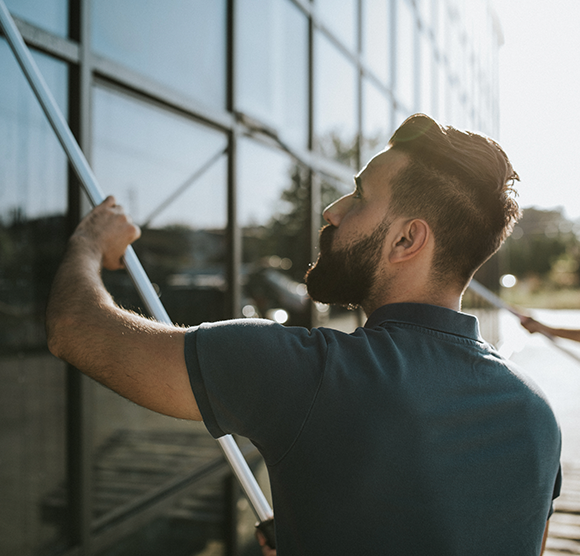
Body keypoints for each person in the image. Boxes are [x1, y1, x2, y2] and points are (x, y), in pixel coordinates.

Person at [46, 114, 561, 555]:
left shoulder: (310, 374)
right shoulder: (536, 415)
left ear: (407, 239)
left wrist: (91, 243)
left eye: (359, 195)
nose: (332, 210)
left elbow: (76, 329)